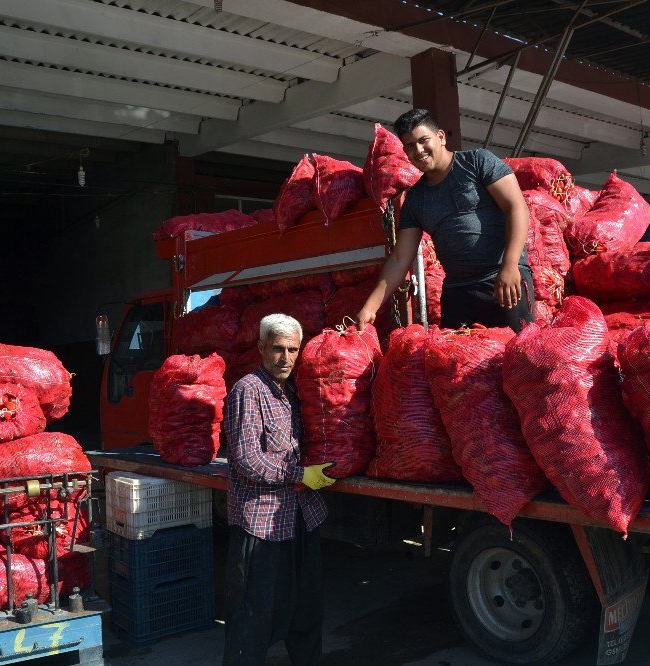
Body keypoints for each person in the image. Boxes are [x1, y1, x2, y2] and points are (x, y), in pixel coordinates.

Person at [222, 313, 336, 666]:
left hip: (301, 518)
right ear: (260, 348)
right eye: (277, 349)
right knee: (253, 614)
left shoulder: (293, 392)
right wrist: (301, 474)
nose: (285, 358)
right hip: (261, 523)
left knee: (306, 609)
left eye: (292, 350)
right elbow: (247, 460)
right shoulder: (248, 391)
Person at [356, 108, 534, 333]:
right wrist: (370, 308)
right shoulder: (415, 199)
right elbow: (401, 259)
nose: (418, 150)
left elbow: (516, 207)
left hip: (503, 281)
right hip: (458, 292)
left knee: (516, 358)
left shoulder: (478, 162)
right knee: (455, 364)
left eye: (423, 140)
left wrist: (510, 266)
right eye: (410, 146)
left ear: (440, 137)